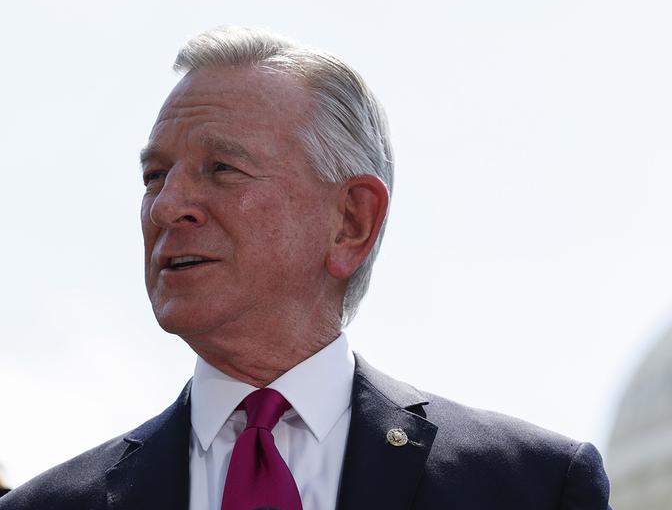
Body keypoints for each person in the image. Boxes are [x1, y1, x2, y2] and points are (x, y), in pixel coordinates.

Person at [0, 26, 611, 510]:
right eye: (154, 177)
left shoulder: (530, 488)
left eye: (222, 169)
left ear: (351, 221)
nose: (168, 207)